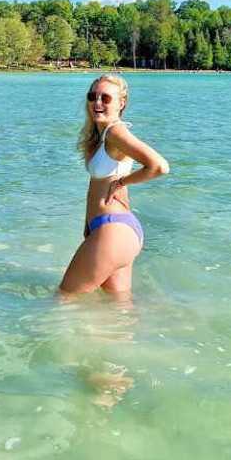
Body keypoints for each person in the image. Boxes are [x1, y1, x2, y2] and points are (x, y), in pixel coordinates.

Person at [59, 74, 170, 297]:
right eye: (93, 96)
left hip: (113, 231)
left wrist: (122, 182)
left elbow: (159, 166)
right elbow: (100, 183)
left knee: (64, 300)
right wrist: (88, 225)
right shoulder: (102, 135)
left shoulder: (115, 132)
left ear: (121, 103)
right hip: (114, 230)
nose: (97, 103)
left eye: (106, 98)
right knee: (117, 310)